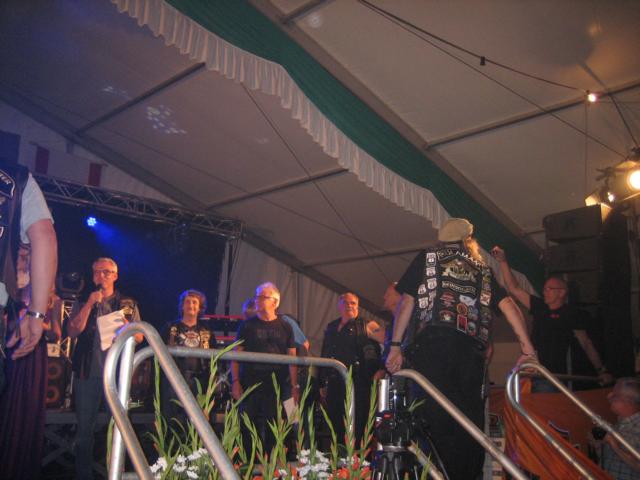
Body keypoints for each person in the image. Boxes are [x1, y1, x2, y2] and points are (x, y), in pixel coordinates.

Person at [386, 218, 537, 480]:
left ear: (442, 240)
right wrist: (527, 349)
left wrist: (395, 346)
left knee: (430, 418)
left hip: (432, 349)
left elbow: (407, 303)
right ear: (469, 241)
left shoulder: (428, 258)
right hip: (470, 354)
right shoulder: (482, 268)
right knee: (467, 422)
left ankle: (432, 474)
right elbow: (510, 306)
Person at [491, 246, 613, 391]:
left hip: (558, 375)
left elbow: (586, 343)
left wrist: (600, 370)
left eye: (549, 289)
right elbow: (514, 288)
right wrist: (503, 261)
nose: (545, 292)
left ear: (562, 292)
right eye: (544, 289)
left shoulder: (572, 313)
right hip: (537, 371)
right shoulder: (540, 307)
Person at [67, 257, 142, 480]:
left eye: (107, 272)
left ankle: (115, 473)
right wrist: (89, 304)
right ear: (93, 276)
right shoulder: (83, 299)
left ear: (115, 276)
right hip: (87, 372)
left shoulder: (128, 303)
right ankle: (83, 475)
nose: (102, 276)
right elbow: (72, 332)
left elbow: (139, 337)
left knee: (118, 427)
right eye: (97, 272)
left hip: (116, 375)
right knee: (84, 431)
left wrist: (127, 327)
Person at [231, 282, 298, 455]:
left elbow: (292, 358)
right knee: (247, 425)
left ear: (274, 302)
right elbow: (235, 356)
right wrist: (235, 381)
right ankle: (248, 462)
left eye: (262, 297)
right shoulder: (246, 326)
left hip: (276, 386)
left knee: (274, 425)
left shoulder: (286, 326)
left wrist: (294, 386)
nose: (257, 300)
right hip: (250, 384)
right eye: (256, 296)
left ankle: (272, 462)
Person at [319, 292, 384, 449]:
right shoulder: (332, 326)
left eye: (353, 303)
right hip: (335, 382)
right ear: (339, 305)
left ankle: (359, 458)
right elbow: (325, 353)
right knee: (336, 421)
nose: (349, 305)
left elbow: (388, 342)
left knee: (358, 422)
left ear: (358, 306)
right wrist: (321, 381)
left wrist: (381, 369)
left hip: (358, 382)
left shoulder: (366, 325)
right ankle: (340, 457)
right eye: (346, 302)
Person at [161, 289, 215, 425]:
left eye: (194, 302)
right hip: (174, 380)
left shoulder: (206, 331)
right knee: (171, 422)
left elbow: (214, 359)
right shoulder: (170, 328)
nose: (191, 305)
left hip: (198, 381)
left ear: (199, 307)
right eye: (188, 302)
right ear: (182, 306)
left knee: (197, 423)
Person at [597, 378, 640, 479]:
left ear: (629, 401)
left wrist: (614, 445)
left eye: (615, 395)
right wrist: (598, 446)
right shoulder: (619, 424)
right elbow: (610, 461)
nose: (609, 396)